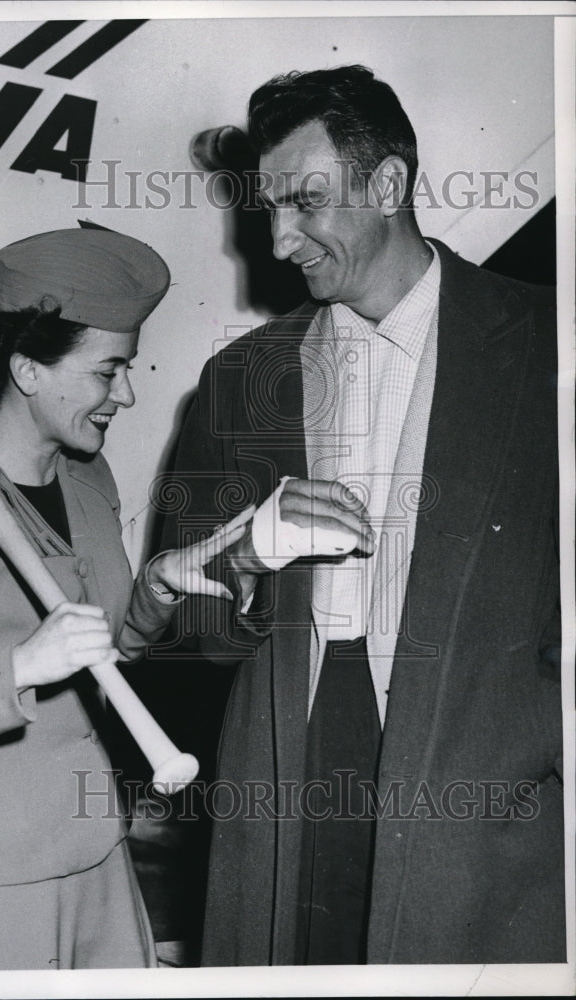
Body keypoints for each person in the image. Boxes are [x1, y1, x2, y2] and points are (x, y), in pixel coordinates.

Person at [162, 66, 563, 965]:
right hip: (288, 784)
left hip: (493, 800)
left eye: (304, 202)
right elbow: (185, 634)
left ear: (387, 185)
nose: (277, 240)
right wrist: (245, 561)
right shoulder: (238, 382)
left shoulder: (550, 343)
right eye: (267, 209)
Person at [0, 225, 247, 971]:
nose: (125, 393)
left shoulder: (87, 482)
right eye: (108, 371)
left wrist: (156, 588)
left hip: (96, 845)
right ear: (29, 370)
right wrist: (22, 665)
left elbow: (110, 652)